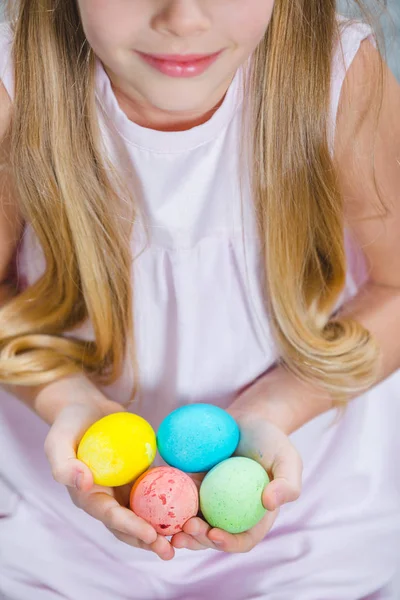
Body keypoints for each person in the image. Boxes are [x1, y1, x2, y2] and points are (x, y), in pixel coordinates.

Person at [0, 1, 399, 598]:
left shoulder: (336, 71)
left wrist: (276, 408)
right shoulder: (16, 84)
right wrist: (68, 402)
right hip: (55, 513)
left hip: (315, 506)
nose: (184, 18)